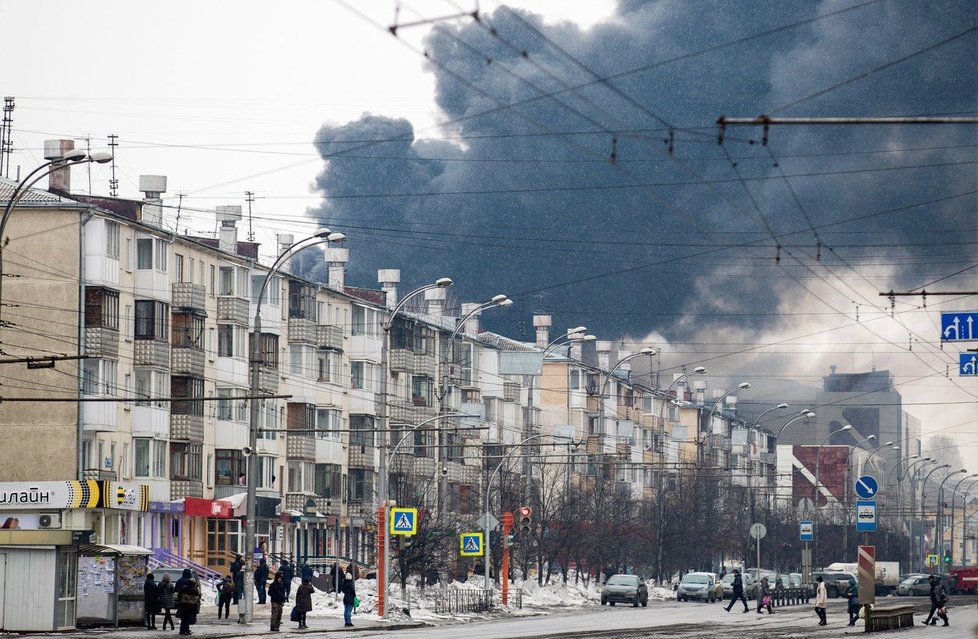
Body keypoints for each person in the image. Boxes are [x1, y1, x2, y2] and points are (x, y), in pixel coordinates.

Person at [175, 568, 200, 636]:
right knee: (188, 618)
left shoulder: (182, 585)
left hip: (183, 605)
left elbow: (178, 594)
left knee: (183, 618)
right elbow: (197, 596)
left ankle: (182, 630)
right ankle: (186, 630)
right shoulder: (194, 590)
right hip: (190, 606)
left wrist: (181, 600)